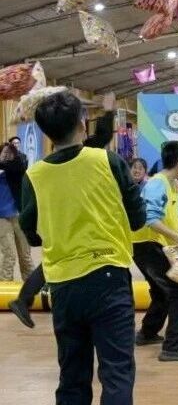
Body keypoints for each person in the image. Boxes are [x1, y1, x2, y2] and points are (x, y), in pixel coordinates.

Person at [18, 91, 146, 405]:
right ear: (81, 123)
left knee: (72, 378)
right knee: (116, 374)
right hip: (109, 278)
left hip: (63, 285)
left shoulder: (34, 176)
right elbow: (138, 218)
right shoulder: (107, 161)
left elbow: (31, 233)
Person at [9, 92, 117, 329]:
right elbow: (102, 136)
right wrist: (108, 111)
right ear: (80, 126)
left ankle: (23, 299)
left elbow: (28, 220)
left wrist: (36, 238)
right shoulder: (83, 155)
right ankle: (23, 299)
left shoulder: (44, 167)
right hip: (81, 236)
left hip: (62, 227)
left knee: (52, 260)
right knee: (59, 261)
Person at [133, 141, 178, 362]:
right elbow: (150, 218)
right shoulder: (157, 184)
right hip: (147, 245)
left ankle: (147, 333)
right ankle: (172, 347)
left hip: (154, 245)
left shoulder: (172, 184)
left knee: (161, 292)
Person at [0, 142, 34, 281]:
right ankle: (4, 287)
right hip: (2, 218)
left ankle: (31, 287)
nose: (7, 155)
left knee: (25, 255)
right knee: (9, 255)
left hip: (19, 217)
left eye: (10, 152)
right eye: (4, 152)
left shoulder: (16, 169)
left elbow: (20, 165)